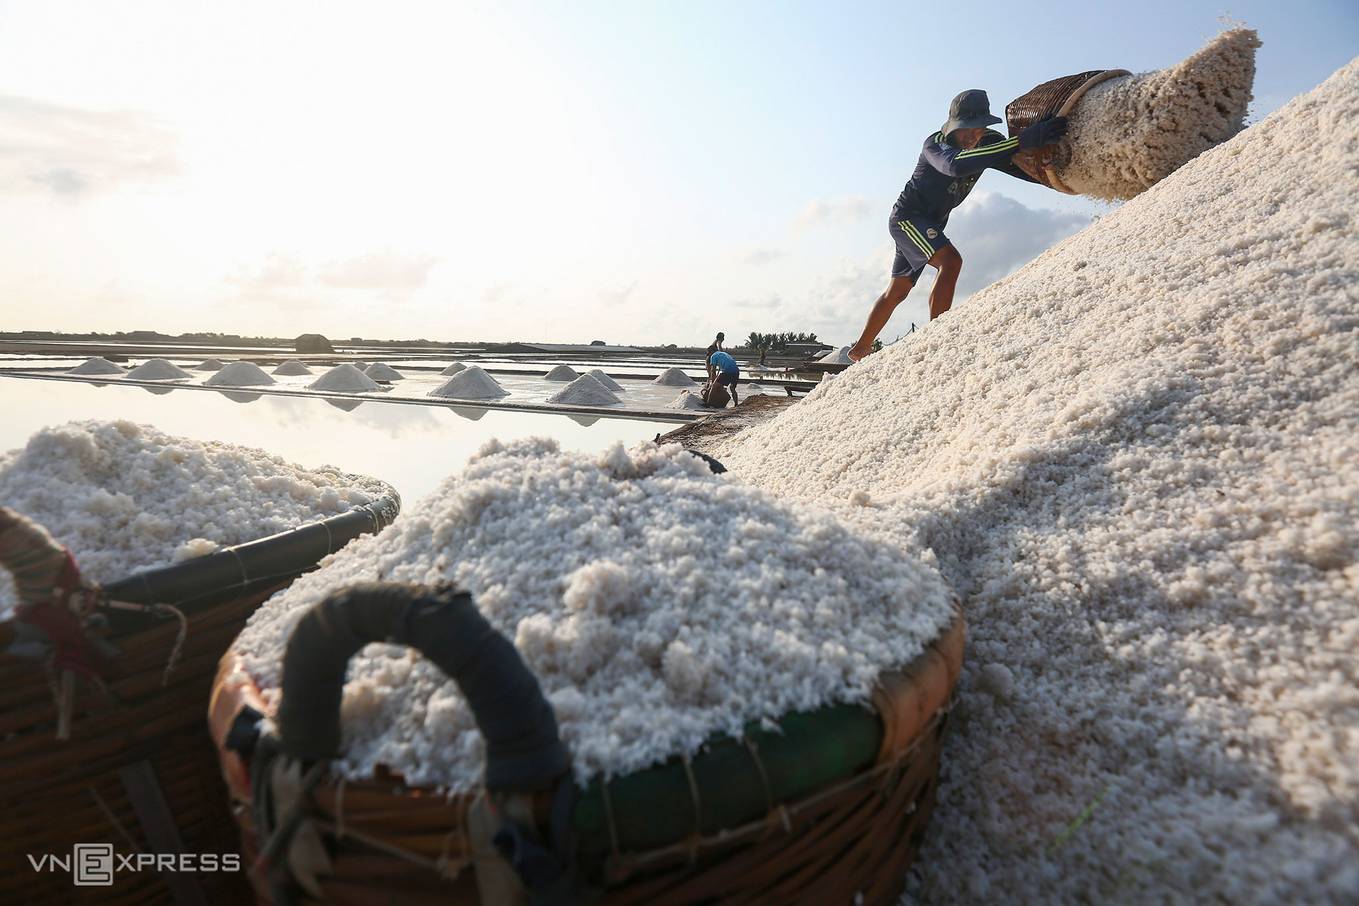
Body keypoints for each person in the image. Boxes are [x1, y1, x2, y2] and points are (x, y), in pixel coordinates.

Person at [848, 90, 1068, 362]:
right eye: (966, 130)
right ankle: (939, 335)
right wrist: (1019, 142)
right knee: (951, 262)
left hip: (931, 224)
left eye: (978, 130)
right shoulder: (935, 145)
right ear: (953, 125)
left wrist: (1056, 170)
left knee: (898, 290)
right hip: (908, 218)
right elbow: (953, 166)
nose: (972, 136)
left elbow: (1018, 166)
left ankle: (860, 349)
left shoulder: (987, 144)